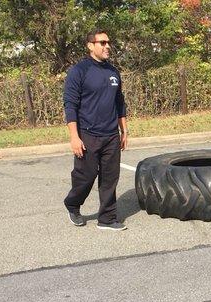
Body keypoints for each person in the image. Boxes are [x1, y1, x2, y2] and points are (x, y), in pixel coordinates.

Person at [63, 28, 129, 230]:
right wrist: (74, 137)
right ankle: (73, 204)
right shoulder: (79, 71)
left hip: (111, 135)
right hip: (88, 134)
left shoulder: (113, 72)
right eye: (102, 43)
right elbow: (70, 104)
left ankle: (107, 219)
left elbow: (120, 103)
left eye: (108, 42)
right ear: (90, 46)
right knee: (86, 176)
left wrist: (124, 131)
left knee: (110, 178)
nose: (107, 46)